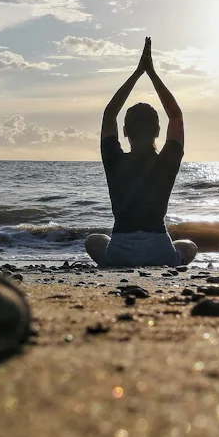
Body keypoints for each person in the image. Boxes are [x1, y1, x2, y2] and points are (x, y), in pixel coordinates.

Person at [85, 37, 198, 267]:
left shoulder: (114, 159)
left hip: (119, 254)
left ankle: (112, 262)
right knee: (189, 246)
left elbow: (110, 114)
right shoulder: (167, 162)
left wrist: (138, 73)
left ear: (125, 131)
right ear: (158, 131)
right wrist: (151, 73)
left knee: (93, 241)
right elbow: (175, 116)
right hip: (161, 254)